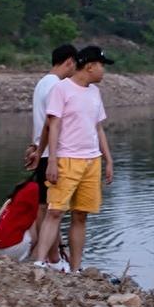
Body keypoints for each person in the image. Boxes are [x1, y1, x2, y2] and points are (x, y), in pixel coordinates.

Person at [32, 46, 115, 273]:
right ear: (90, 66)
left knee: (81, 215)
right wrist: (50, 159)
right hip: (67, 159)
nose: (103, 72)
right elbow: (53, 125)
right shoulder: (61, 89)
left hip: (91, 161)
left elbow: (98, 128)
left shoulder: (94, 93)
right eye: (101, 66)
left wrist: (108, 159)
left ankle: (76, 269)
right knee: (55, 211)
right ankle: (40, 262)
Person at [23, 44, 78, 269]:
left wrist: (35, 146)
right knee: (50, 208)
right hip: (50, 153)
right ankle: (52, 258)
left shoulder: (42, 83)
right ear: (69, 62)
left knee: (44, 206)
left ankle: (46, 254)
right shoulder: (57, 86)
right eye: (75, 63)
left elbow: (39, 121)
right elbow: (51, 123)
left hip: (42, 150)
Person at [0, 177, 42, 262]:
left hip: (0, 246)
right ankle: (36, 259)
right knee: (43, 219)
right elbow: (41, 217)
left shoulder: (24, 187)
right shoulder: (35, 188)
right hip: (12, 248)